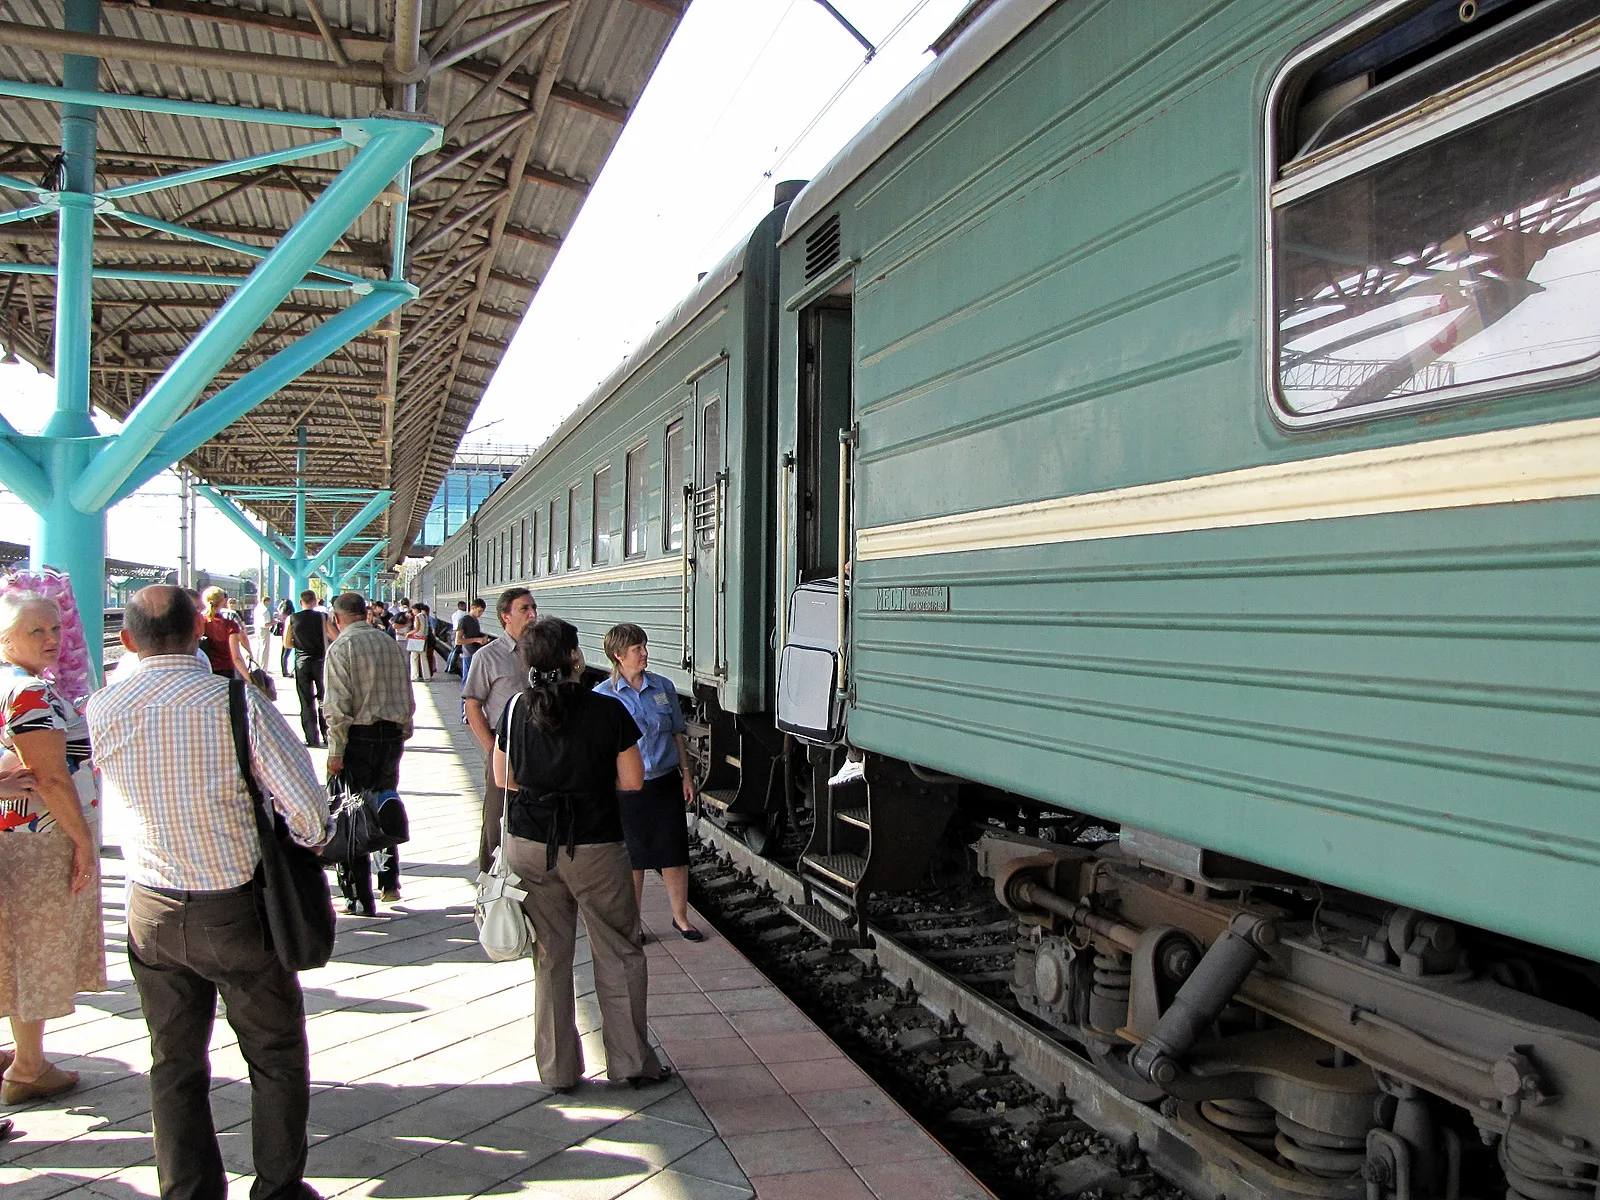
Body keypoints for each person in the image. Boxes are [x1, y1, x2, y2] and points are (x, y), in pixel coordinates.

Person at [88, 585, 331, 1200]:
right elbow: (307, 813)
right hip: (236, 908)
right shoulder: (236, 704)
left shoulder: (103, 707)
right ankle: (277, 1189)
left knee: (173, 1063)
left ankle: (188, 1190)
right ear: (201, 630)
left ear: (126, 640)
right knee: (274, 1054)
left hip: (150, 906)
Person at [495, 617, 667, 1091]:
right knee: (618, 951)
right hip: (594, 845)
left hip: (530, 847)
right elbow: (632, 782)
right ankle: (631, 1063)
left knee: (549, 957)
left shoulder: (513, 710)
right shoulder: (607, 711)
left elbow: (503, 778)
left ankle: (558, 1071)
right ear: (575, 658)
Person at [0, 589, 106, 1106]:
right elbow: (51, 778)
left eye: (54, 629)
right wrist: (83, 842)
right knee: (37, 947)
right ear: (6, 639)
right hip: (41, 838)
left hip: (10, 834)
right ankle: (29, 1065)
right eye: (35, 631)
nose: (50, 639)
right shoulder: (31, 695)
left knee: (10, 944)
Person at [593, 624, 702, 941]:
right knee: (633, 858)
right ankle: (634, 922)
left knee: (674, 852)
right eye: (637, 648)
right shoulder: (604, 696)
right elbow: (600, 748)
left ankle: (680, 918)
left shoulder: (663, 687)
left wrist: (686, 773)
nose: (645, 653)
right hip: (627, 787)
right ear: (618, 655)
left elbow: (676, 734)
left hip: (666, 780)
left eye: (644, 646)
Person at [323, 592, 414, 915]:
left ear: (337, 618)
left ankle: (358, 897)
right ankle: (389, 880)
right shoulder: (389, 642)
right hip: (391, 736)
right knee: (384, 803)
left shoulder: (341, 647)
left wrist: (335, 751)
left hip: (357, 739)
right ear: (365, 613)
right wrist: (406, 724)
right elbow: (406, 686)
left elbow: (336, 707)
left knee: (351, 814)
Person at [463, 588, 537, 872]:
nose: (532, 615)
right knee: (496, 819)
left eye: (533, 608)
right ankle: (489, 888)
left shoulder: (542, 654)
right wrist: (492, 748)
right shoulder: (488, 656)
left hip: (541, 749)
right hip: (506, 748)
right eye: (524, 609)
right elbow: (473, 706)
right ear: (506, 616)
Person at [285, 590, 329, 747]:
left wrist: (301, 646)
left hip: (302, 663)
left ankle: (312, 738)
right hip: (320, 661)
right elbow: (333, 635)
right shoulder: (322, 617)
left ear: (300, 602)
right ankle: (327, 735)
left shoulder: (292, 619)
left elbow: (286, 643)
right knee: (324, 699)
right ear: (315, 601)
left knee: (306, 701)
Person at [198, 586, 250, 680]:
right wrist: (250, 680)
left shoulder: (198, 622)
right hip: (225, 672)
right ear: (223, 601)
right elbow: (236, 658)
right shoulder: (229, 625)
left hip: (203, 671)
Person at [404, 603, 433, 681]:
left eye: (413, 610)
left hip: (417, 639)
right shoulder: (425, 616)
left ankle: (414, 676)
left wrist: (408, 633)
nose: (412, 612)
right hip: (424, 639)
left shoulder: (417, 617)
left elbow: (416, 629)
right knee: (424, 658)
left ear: (416, 610)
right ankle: (427, 677)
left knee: (414, 658)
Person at [446, 601, 469, 675]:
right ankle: (451, 668)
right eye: (465, 606)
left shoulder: (454, 614)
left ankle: (448, 666)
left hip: (453, 631)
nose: (466, 607)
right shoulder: (464, 614)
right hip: (459, 633)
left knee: (453, 650)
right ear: (462, 606)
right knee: (456, 651)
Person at [253, 594, 274, 669]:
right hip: (264, 630)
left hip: (257, 629)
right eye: (269, 602)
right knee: (264, 649)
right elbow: (266, 624)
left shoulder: (257, 608)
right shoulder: (265, 610)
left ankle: (256, 666)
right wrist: (274, 622)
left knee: (258, 648)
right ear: (266, 601)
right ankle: (263, 667)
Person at [276, 599, 295, 677]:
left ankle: (284, 670)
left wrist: (281, 603)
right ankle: (285, 671)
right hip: (291, 634)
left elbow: (278, 609)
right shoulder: (291, 614)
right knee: (286, 653)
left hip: (284, 633)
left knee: (284, 653)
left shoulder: (282, 613)